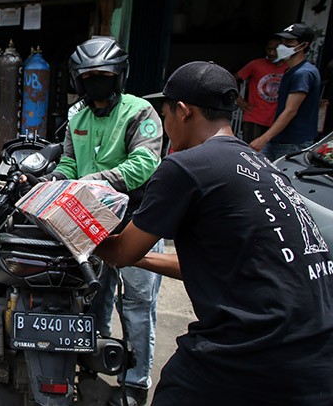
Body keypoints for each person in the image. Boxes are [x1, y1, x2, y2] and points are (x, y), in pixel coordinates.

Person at [94, 61, 333, 405]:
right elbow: (218, 262)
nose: (166, 129)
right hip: (317, 356)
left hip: (251, 349)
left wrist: (80, 234)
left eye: (165, 117)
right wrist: (145, 258)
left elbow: (120, 253)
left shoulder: (184, 167)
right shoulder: (263, 166)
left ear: (182, 111)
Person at [47, 37, 164, 406]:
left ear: (119, 76)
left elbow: (146, 162)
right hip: (90, 223)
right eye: (88, 76)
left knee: (138, 304)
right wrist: (55, 181)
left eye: (103, 75)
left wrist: (99, 180)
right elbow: (69, 161)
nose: (95, 82)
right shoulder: (75, 116)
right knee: (95, 295)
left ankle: (135, 382)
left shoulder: (140, 112)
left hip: (136, 222)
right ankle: (94, 354)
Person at [250, 23, 322, 160]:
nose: (282, 46)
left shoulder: (303, 73)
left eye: (289, 42)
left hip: (293, 141)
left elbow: (290, 110)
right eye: (282, 41)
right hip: (280, 138)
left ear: (303, 46)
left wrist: (263, 138)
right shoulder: (291, 70)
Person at [235, 36, 285, 143]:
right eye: (269, 49)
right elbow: (231, 80)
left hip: (277, 120)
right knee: (251, 153)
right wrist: (238, 99)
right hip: (254, 117)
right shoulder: (256, 65)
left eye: (275, 50)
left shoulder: (289, 67)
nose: (271, 53)